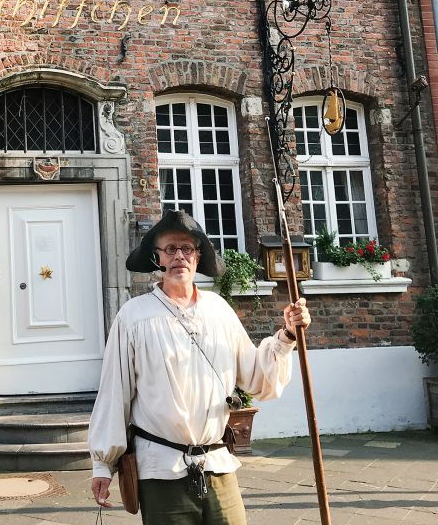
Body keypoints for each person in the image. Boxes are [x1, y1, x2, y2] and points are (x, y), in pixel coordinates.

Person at [88, 210, 311, 524]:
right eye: (170, 249)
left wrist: (287, 335)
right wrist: (102, 464)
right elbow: (115, 394)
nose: (179, 256)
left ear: (197, 257)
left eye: (187, 249)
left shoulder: (218, 310)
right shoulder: (134, 316)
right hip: (160, 470)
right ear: (157, 259)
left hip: (217, 464)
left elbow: (257, 379)